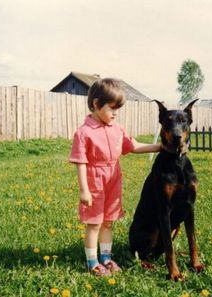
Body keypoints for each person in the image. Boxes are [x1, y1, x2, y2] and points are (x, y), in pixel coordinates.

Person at [69, 78, 161, 276]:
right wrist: (84, 189)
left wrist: (161, 147)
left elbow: (133, 146)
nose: (115, 114)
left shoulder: (117, 130)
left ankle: (106, 258)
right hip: (95, 180)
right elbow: (81, 162)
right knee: (94, 223)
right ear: (95, 104)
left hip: (113, 178)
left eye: (117, 109)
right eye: (112, 109)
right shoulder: (83, 133)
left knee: (108, 221)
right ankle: (93, 262)